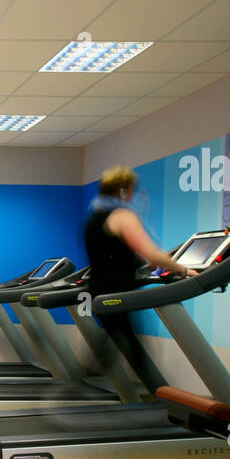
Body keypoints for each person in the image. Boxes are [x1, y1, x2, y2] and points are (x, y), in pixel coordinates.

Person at [83, 166, 197, 394]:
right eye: (132, 190)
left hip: (99, 290)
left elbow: (112, 252)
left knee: (118, 341)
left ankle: (84, 380)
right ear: (124, 191)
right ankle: (160, 400)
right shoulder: (122, 216)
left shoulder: (94, 216)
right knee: (133, 348)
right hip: (118, 293)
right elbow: (151, 253)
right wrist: (183, 269)